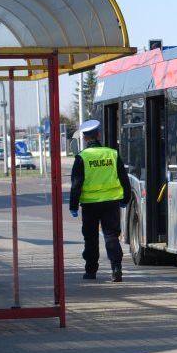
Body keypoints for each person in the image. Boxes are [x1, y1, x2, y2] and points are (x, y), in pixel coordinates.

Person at [70, 120, 131, 282]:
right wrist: (126, 198)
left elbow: (76, 185)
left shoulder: (82, 157)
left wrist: (73, 206)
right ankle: (116, 268)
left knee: (90, 238)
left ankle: (91, 271)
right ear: (98, 135)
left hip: (90, 205)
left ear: (84, 138)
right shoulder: (113, 154)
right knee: (111, 236)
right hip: (111, 203)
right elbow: (124, 179)